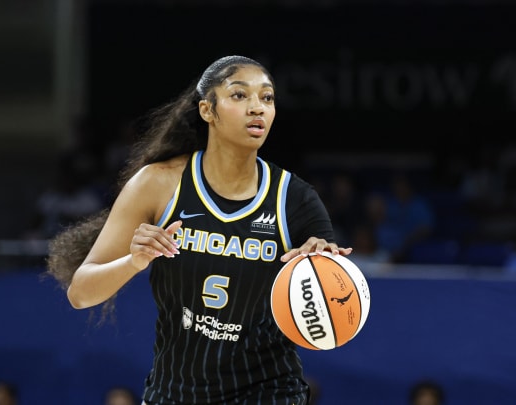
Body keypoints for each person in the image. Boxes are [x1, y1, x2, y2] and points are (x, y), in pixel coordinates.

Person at [45, 55, 352, 405]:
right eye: (239, 95)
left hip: (268, 392)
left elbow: (334, 311)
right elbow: (81, 293)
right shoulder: (158, 184)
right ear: (207, 110)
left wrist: (322, 263)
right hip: (174, 393)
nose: (257, 108)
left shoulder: (295, 200)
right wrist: (134, 261)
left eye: (267, 98)